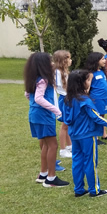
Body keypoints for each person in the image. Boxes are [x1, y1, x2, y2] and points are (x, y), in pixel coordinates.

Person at [63, 70, 107, 197]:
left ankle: (79, 189)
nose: (90, 83)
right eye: (88, 80)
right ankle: (94, 190)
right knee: (90, 162)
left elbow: (64, 117)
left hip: (74, 135)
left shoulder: (67, 99)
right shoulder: (85, 101)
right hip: (87, 135)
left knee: (77, 161)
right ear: (81, 83)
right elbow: (97, 117)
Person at [24, 52, 69, 187]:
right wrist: (56, 110)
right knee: (53, 145)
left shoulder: (34, 78)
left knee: (45, 144)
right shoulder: (43, 79)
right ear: (43, 65)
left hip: (34, 114)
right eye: (49, 61)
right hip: (44, 116)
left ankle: (43, 173)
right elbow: (38, 98)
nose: (52, 63)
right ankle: (51, 178)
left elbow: (27, 94)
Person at [85, 52, 107, 145]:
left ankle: (104, 134)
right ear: (95, 61)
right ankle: (96, 136)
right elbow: (88, 87)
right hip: (96, 98)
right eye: (102, 59)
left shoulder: (101, 71)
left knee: (102, 115)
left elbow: (101, 84)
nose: (105, 60)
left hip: (103, 97)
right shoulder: (90, 73)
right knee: (96, 116)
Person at [53, 50, 73, 160]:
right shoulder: (58, 72)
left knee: (68, 123)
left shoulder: (64, 71)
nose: (71, 60)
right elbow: (61, 88)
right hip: (64, 99)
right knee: (65, 125)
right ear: (63, 61)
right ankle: (63, 149)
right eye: (69, 58)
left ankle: (70, 146)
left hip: (68, 98)